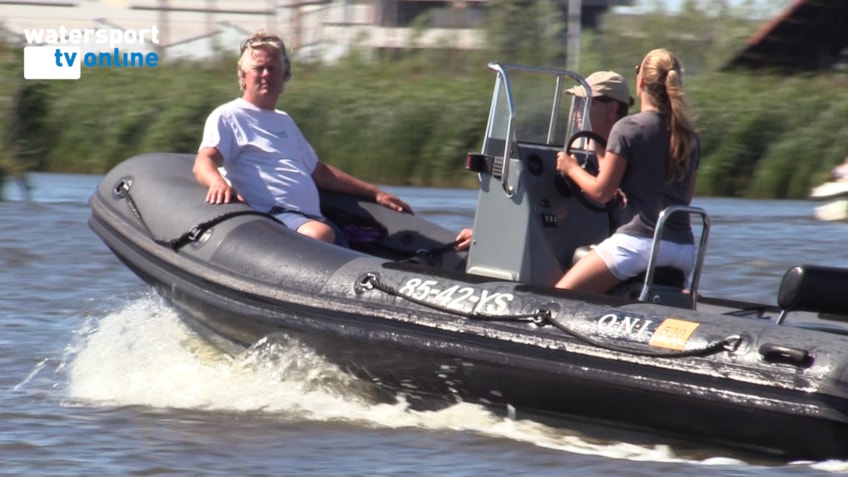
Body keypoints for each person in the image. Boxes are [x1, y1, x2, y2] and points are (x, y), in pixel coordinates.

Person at [193, 30, 413, 246]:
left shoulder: (284, 120)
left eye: (273, 68)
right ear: (244, 75)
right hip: (273, 219)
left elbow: (318, 172)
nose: (266, 74)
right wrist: (217, 182)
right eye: (258, 68)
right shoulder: (229, 115)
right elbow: (204, 161)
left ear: (284, 75)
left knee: (334, 234)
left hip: (309, 219)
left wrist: (376, 193)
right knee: (320, 235)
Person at [554, 48, 699, 293]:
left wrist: (570, 168)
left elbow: (601, 192)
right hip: (683, 249)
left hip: (638, 245)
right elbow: (683, 198)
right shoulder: (689, 137)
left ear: (641, 81)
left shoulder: (628, 128)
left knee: (557, 297)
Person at [453, 70, 634, 251]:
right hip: (574, 243)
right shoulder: (578, 149)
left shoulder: (627, 155)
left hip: (613, 246)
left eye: (586, 101)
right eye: (577, 101)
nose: (577, 108)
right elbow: (546, 207)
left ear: (612, 109)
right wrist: (488, 232)